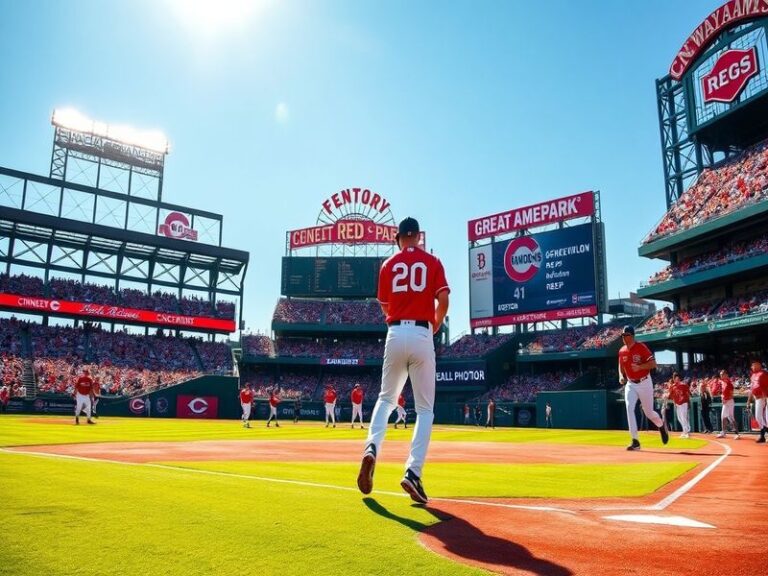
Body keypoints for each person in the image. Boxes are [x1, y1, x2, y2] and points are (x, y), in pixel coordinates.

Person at [357, 216, 450, 504]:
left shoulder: (388, 265)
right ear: (418, 237)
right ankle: (413, 472)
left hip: (395, 333)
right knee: (424, 410)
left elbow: (384, 303)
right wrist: (434, 325)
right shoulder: (432, 261)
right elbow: (443, 299)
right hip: (422, 333)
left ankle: (371, 448)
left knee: (386, 400)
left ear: (399, 238)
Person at [618, 325, 668, 450]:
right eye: (623, 335)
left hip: (644, 382)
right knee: (629, 408)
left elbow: (653, 364)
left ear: (632, 336)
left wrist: (640, 367)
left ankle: (661, 425)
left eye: (626, 335)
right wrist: (620, 375)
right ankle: (635, 441)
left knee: (649, 413)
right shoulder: (622, 350)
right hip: (631, 383)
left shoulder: (641, 347)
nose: (624, 337)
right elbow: (620, 365)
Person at [745, 360, 768, 443]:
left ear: (758, 365)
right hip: (757, 399)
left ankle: (762, 435)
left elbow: (766, 386)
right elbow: (751, 389)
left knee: (767, 418)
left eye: (753, 365)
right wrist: (748, 401)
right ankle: (763, 435)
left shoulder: (763, 373)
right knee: (758, 417)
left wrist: (765, 398)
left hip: (765, 398)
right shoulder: (753, 375)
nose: (751, 367)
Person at [716, 369, 740, 439]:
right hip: (725, 402)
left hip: (729, 402)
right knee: (723, 417)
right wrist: (722, 397)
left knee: (731, 418)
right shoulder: (722, 383)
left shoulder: (729, 383)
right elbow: (723, 393)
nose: (721, 376)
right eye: (720, 375)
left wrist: (725, 400)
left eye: (722, 374)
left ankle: (737, 434)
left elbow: (731, 395)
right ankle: (723, 433)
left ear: (726, 375)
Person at [667, 372, 691, 438]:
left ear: (679, 379)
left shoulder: (684, 385)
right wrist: (674, 402)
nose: (677, 379)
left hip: (684, 403)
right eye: (675, 378)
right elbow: (671, 396)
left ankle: (686, 432)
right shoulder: (672, 386)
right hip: (677, 404)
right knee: (679, 418)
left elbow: (688, 394)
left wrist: (689, 403)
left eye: (678, 378)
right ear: (674, 379)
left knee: (683, 417)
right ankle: (685, 430)